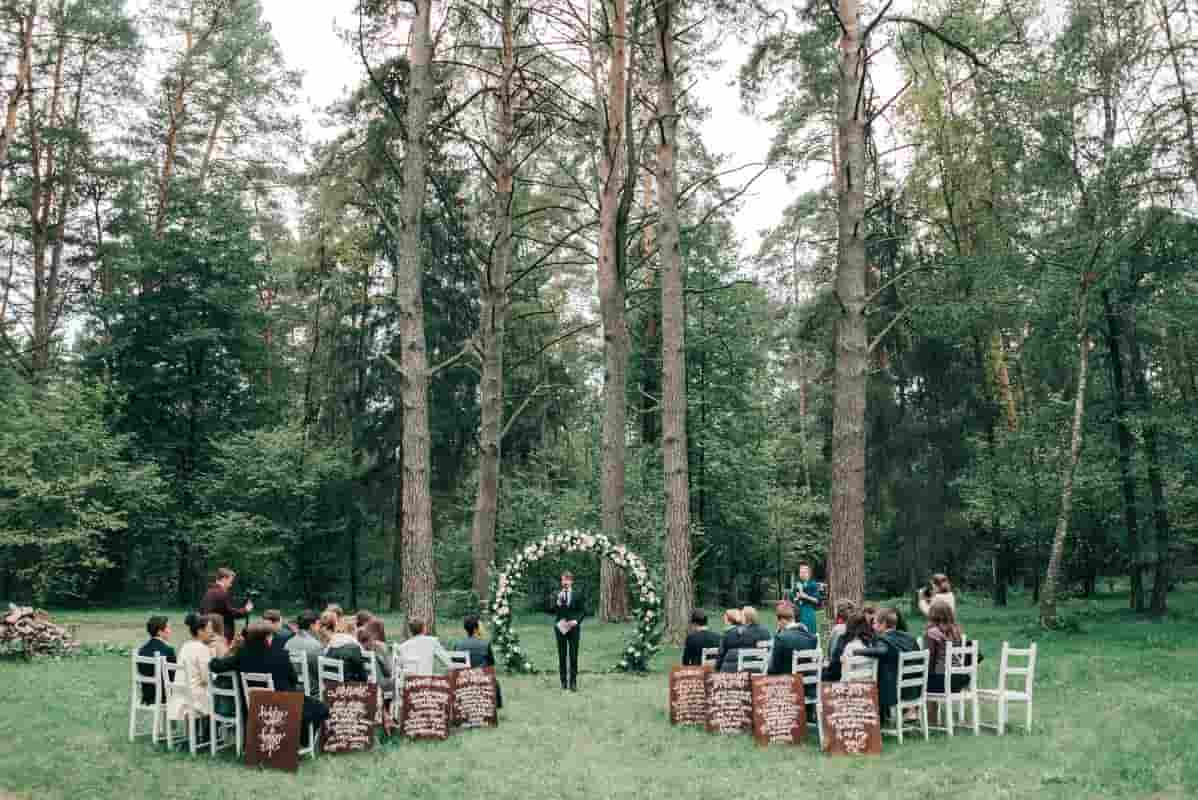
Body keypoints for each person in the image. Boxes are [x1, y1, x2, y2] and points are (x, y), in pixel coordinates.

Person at [210, 623, 329, 740]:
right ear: (267, 637)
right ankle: (300, 740)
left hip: (253, 707)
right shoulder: (280, 655)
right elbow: (293, 679)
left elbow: (215, 666)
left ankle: (293, 739)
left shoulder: (241, 655)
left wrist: (231, 648)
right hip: (283, 706)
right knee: (321, 708)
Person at [855, 607, 919, 722]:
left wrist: (856, 651)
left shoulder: (884, 639)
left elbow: (882, 651)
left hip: (893, 692)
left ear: (883, 624)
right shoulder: (909, 638)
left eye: (874, 623)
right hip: (913, 688)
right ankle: (908, 711)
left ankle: (875, 719)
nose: (872, 626)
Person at [168, 613, 214, 723]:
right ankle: (211, 735)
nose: (212, 632)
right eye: (209, 629)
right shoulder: (202, 648)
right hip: (194, 698)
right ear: (200, 631)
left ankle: (201, 733)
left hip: (179, 694)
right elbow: (206, 679)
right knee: (222, 697)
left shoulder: (185, 645)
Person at [924, 599, 970, 695]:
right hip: (961, 679)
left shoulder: (933, 632)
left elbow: (929, 659)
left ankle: (930, 710)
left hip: (945, 679)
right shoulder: (957, 630)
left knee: (921, 682)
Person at [198, 568, 253, 644]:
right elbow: (230, 613)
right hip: (220, 633)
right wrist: (246, 610)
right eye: (231, 581)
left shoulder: (209, 592)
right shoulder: (221, 593)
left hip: (209, 631)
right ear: (224, 579)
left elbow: (202, 610)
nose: (231, 584)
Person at [551, 571, 586, 691]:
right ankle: (563, 682)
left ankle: (573, 682)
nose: (565, 582)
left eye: (567, 580)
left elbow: (583, 611)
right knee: (562, 655)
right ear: (561, 581)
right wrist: (557, 603)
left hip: (574, 628)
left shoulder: (578, 594)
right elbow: (551, 610)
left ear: (571, 581)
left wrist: (576, 621)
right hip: (560, 627)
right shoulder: (557, 594)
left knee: (573, 655)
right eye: (563, 580)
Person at [767, 603, 817, 676]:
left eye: (778, 621)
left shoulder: (780, 638)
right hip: (808, 684)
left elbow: (773, 669)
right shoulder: (812, 638)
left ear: (782, 620)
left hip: (788, 683)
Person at [823, 612, 873, 682]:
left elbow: (835, 666)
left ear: (848, 625)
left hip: (843, 682)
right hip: (867, 683)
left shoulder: (844, 641)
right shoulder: (871, 643)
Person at [137, 616, 175, 704]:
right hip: (164, 696)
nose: (171, 631)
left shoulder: (141, 649)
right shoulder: (168, 650)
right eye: (168, 628)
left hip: (147, 696)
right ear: (159, 632)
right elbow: (173, 676)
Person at [718, 607, 768, 672]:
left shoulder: (737, 633)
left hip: (740, 671)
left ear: (745, 618)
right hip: (760, 669)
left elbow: (722, 654)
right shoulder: (766, 632)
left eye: (741, 615)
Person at [285, 610, 323, 693]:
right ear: (312, 626)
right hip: (311, 691)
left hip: (292, 687)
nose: (320, 627)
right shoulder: (315, 645)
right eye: (318, 624)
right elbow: (320, 672)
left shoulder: (288, 643)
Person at [791, 563, 823, 635]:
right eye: (800, 572)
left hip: (808, 611)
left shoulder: (813, 584)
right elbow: (793, 598)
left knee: (808, 631)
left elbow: (817, 600)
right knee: (797, 632)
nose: (802, 574)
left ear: (808, 573)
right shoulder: (798, 584)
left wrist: (806, 596)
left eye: (804, 572)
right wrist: (796, 597)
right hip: (797, 611)